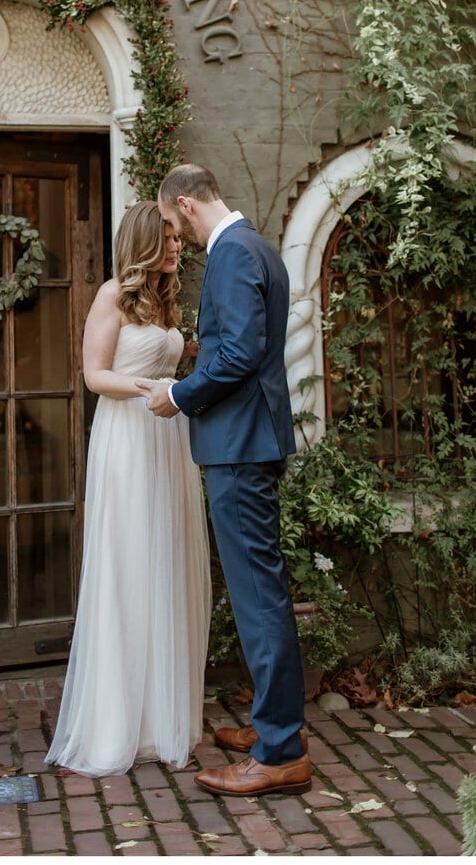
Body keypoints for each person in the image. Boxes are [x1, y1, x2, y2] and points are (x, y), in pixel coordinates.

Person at [137, 163, 311, 798]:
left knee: (258, 595)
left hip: (238, 444)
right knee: (258, 590)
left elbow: (238, 353)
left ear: (185, 205)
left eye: (170, 220)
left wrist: (179, 395)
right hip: (247, 440)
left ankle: (282, 749)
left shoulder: (233, 253)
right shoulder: (258, 245)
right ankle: (275, 729)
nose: (172, 233)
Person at [45, 200, 211, 776]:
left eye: (178, 238)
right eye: (167, 239)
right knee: (130, 566)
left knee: (168, 567)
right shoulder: (112, 294)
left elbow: (173, 357)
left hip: (170, 441)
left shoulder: (166, 301)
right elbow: (95, 375)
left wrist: (189, 367)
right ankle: (120, 723)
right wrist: (151, 386)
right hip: (129, 440)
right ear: (143, 242)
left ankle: (164, 718)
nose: (177, 246)